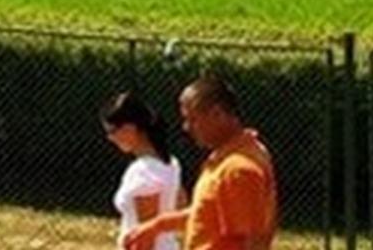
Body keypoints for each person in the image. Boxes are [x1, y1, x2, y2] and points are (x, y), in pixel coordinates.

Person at [123, 73, 276, 250]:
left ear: (217, 114)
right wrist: (157, 226)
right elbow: (205, 214)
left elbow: (250, 241)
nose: (186, 127)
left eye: (192, 119)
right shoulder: (228, 158)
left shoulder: (238, 170)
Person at [101, 91, 186, 250]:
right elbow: (181, 205)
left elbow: (145, 237)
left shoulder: (143, 172)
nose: (110, 138)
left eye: (112, 131)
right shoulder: (171, 163)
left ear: (129, 128)